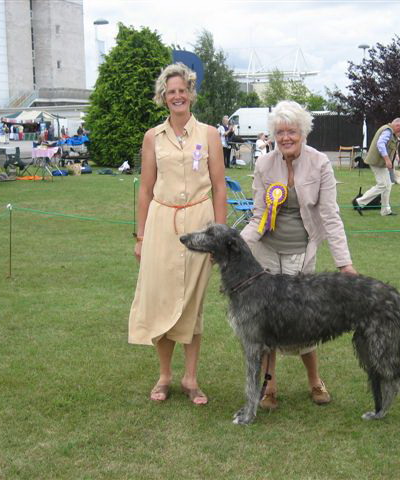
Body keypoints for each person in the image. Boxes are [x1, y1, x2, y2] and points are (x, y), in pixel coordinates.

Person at [240, 100, 357, 411]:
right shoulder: (264, 165)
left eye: (291, 131)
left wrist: (344, 263)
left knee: (303, 323)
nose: (285, 138)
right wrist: (235, 247)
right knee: (265, 325)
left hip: (300, 254)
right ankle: (269, 387)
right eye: (280, 132)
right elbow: (258, 216)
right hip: (266, 254)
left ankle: (315, 380)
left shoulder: (319, 164)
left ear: (302, 132)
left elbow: (330, 216)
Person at [128, 63, 227, 405]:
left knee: (192, 303)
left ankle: (191, 378)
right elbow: (145, 189)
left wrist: (219, 236)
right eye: (171, 92)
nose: (177, 96)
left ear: (190, 93)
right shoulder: (152, 137)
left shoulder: (210, 135)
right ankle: (165, 376)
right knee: (161, 299)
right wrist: (140, 237)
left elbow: (218, 187)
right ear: (163, 97)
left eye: (182, 90)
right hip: (161, 223)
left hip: (200, 223)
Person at [354, 118, 400, 216]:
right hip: (377, 162)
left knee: (388, 185)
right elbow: (380, 144)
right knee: (383, 185)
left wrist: (395, 156)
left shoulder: (391, 133)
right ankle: (360, 201)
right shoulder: (387, 131)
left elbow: (391, 146)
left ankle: (385, 211)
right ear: (397, 126)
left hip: (381, 163)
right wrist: (387, 159)